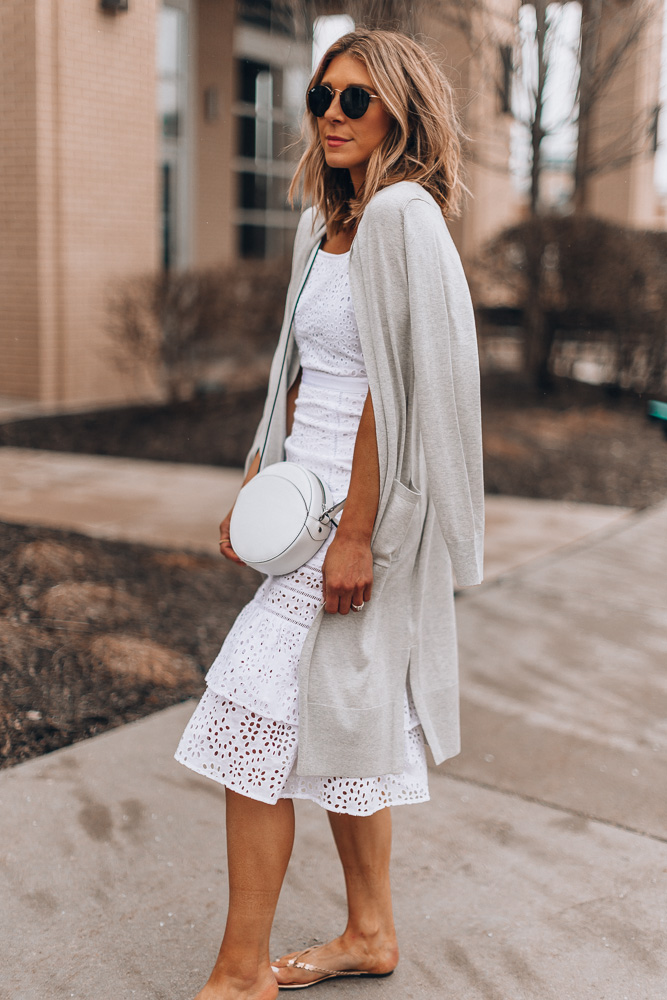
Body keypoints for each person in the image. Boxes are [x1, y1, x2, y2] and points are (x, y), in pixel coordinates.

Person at [174, 26, 484, 1000]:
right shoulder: (325, 222)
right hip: (302, 508)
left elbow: (403, 394)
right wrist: (258, 479)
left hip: (364, 517)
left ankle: (237, 972)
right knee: (347, 720)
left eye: (357, 98)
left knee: (251, 710)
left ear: (400, 109)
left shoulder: (402, 217)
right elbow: (301, 372)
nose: (335, 115)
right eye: (322, 97)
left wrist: (356, 534)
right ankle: (370, 930)